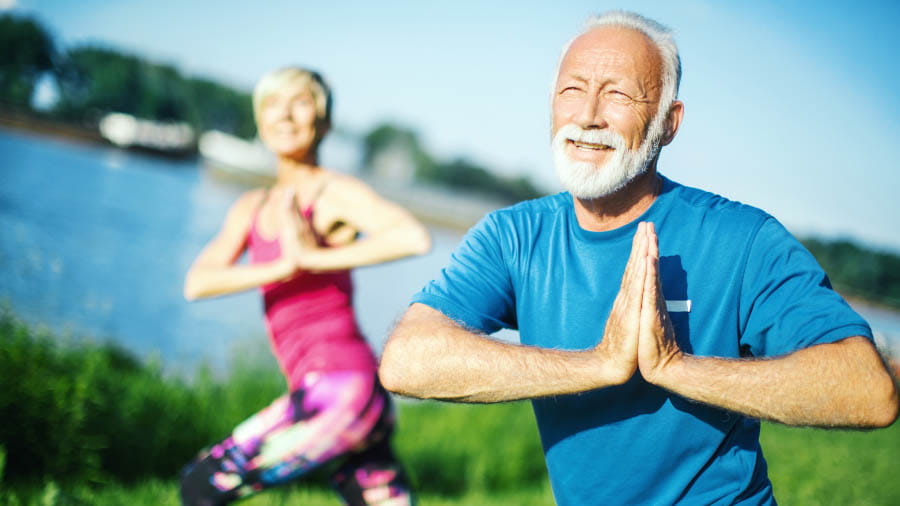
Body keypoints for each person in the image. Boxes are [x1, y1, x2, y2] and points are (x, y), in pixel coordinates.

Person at [378, 11, 899, 506]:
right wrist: (600, 364)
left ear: (668, 123)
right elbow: (408, 362)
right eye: (572, 91)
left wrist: (674, 367)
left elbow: (868, 391)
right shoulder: (515, 235)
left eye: (618, 95)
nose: (587, 116)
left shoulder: (741, 239)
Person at [179, 67, 428, 506]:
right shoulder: (252, 206)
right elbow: (198, 282)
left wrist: (314, 258)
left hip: (340, 389)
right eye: (273, 104)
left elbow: (411, 236)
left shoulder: (331, 192)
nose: (286, 115)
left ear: (324, 122)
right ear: (260, 121)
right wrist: (282, 268)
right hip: (343, 392)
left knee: (202, 485)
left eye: (300, 103)